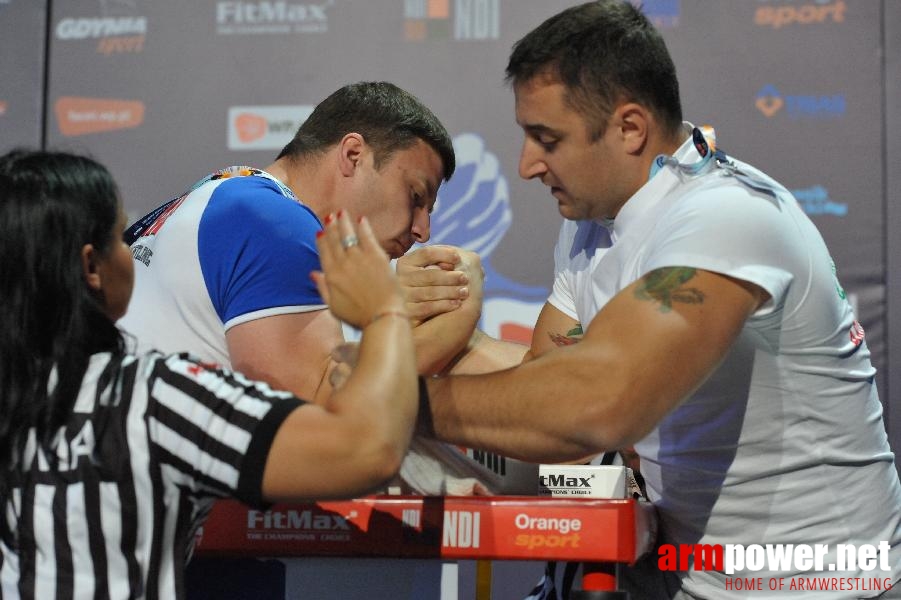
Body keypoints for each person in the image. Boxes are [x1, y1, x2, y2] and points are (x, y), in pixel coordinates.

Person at [413, 2, 901, 597]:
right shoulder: (592, 222)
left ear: (630, 128)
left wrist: (383, 403)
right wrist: (437, 328)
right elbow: (546, 383)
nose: (527, 165)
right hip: (680, 575)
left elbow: (594, 409)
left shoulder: (725, 217)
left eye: (548, 139)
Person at [0, 149, 419, 599]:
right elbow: (365, 450)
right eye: (121, 239)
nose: (133, 253)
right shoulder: (153, 396)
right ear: (91, 268)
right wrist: (384, 313)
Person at [119, 81, 481, 409]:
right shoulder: (277, 224)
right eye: (415, 196)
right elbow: (326, 416)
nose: (423, 230)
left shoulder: (229, 193)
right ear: (353, 155)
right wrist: (460, 311)